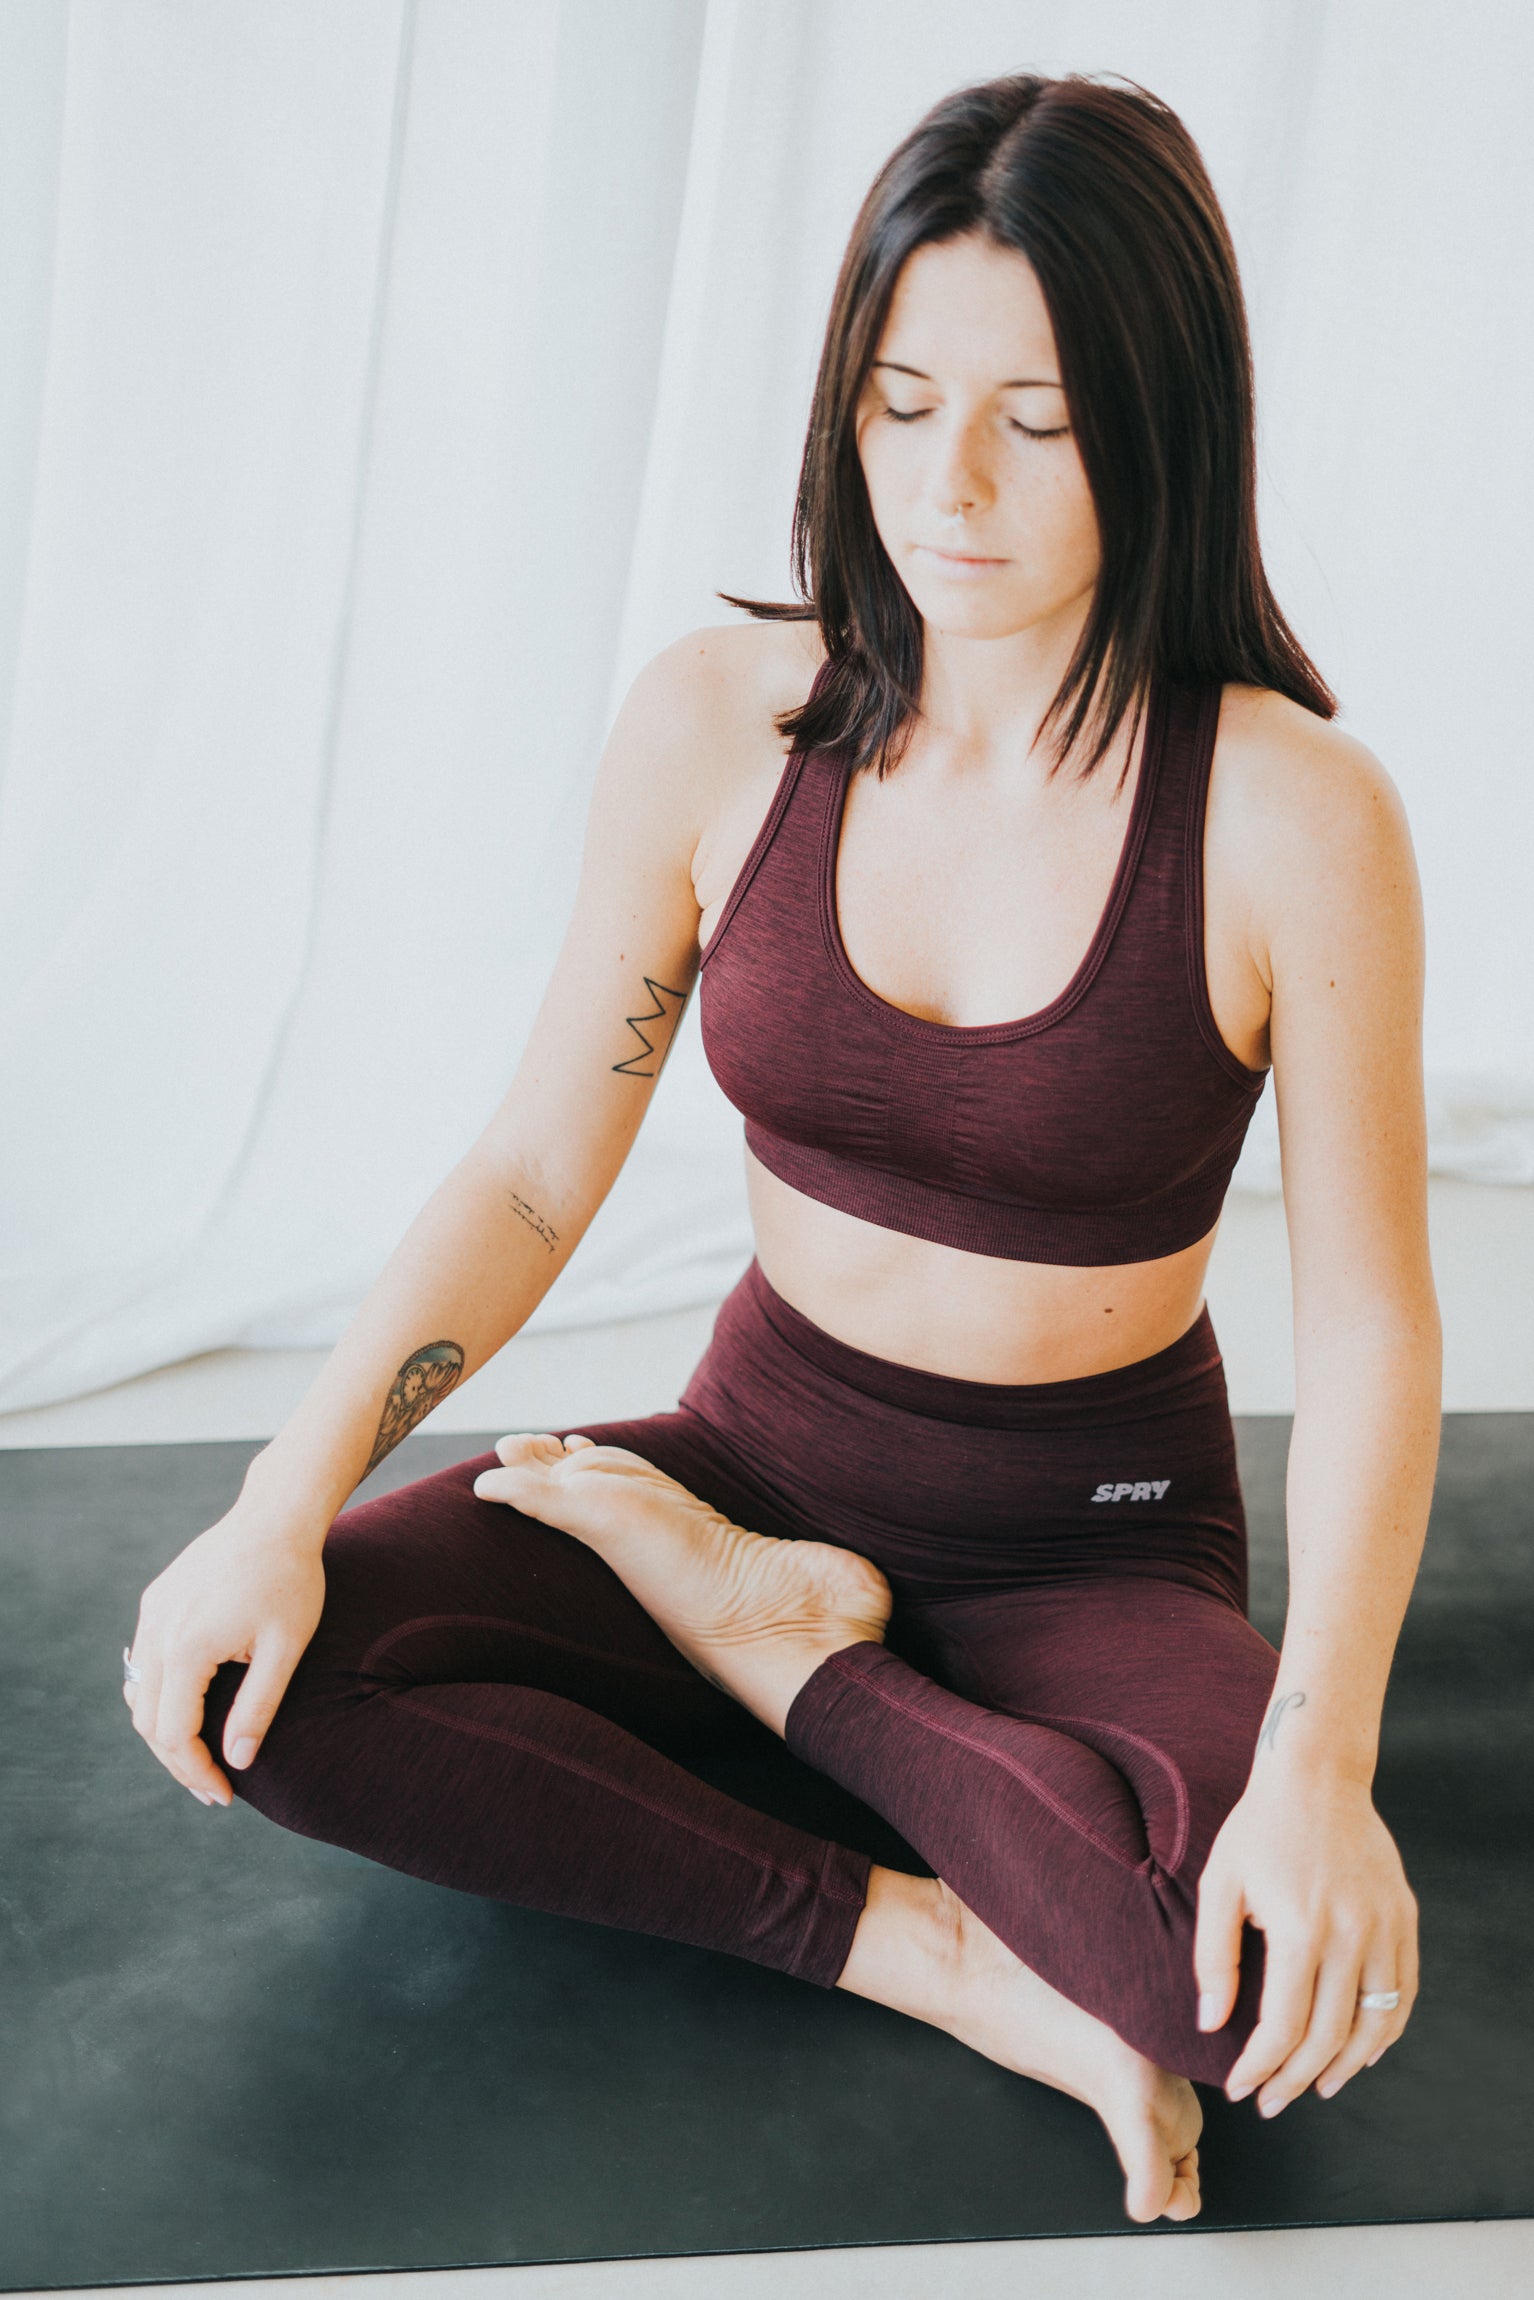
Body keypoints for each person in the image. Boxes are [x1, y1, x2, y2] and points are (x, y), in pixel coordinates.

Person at [122, 73, 1438, 2226]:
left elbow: (1375, 1327)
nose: (951, 485)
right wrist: (281, 1500)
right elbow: (534, 1169)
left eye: (1035, 420)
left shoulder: (1295, 814)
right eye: (901, 405)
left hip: (1088, 1537)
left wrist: (1321, 1762)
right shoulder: (715, 724)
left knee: (1233, 1988)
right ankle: (926, 1950)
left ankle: (777, 1651)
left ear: (1160, 420)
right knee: (264, 1688)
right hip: (750, 1451)